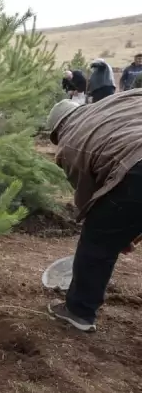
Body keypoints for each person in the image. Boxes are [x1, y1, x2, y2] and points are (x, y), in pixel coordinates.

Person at [45, 86, 142, 332]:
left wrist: (115, 231)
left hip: (137, 163)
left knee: (97, 240)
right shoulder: (117, 100)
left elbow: (91, 200)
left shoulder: (70, 142)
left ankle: (79, 311)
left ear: (57, 131)